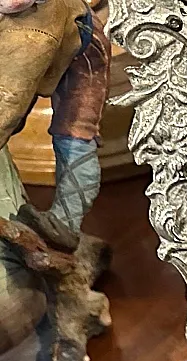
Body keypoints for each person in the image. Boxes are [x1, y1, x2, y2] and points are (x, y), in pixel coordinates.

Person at [0, 0, 111, 240]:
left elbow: (10, 102)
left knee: (75, 133)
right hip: (37, 45)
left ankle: (65, 222)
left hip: (81, 54)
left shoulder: (37, 30)